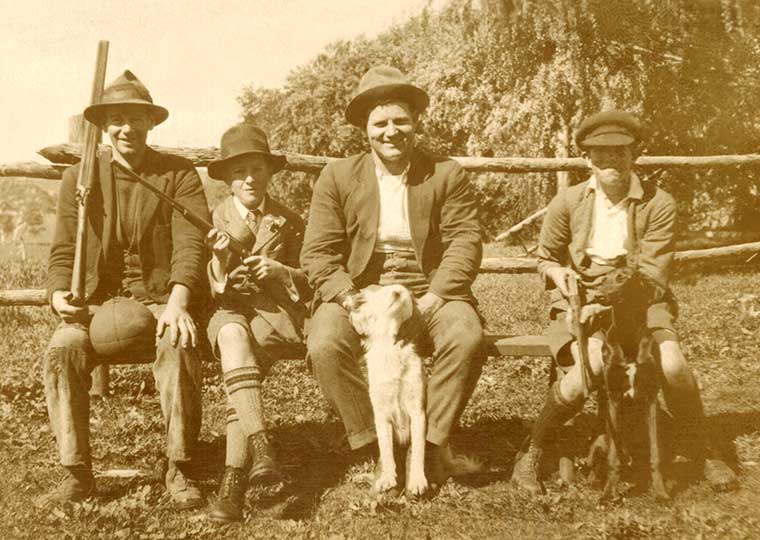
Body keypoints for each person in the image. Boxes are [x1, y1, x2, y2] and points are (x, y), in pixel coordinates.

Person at [510, 110, 740, 495]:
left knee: (673, 364)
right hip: (578, 301)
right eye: (601, 153)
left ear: (635, 155)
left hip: (641, 300)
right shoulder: (567, 202)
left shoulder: (657, 203)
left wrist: (604, 302)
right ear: (587, 159)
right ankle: (530, 451)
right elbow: (545, 256)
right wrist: (559, 275)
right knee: (589, 371)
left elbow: (651, 274)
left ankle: (702, 450)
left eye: (620, 152)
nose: (611, 161)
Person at [300, 65, 485, 495]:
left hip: (429, 287)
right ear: (365, 129)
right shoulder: (338, 176)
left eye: (401, 120)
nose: (391, 132)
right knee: (325, 343)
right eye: (380, 123)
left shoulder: (445, 173)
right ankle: (370, 444)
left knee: (466, 335)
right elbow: (319, 253)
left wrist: (435, 300)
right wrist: (350, 301)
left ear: (416, 122)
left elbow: (465, 241)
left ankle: (433, 443)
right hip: (363, 290)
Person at [42, 71, 210, 508]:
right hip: (96, 306)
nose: (126, 128)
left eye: (136, 118)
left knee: (178, 341)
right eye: (116, 119)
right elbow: (62, 249)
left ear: (151, 123)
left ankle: (180, 465)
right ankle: (76, 472)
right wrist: (60, 294)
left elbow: (191, 246)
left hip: (159, 300)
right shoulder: (80, 180)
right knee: (63, 348)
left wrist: (177, 301)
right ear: (103, 126)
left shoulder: (178, 175)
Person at [204, 123, 310, 523]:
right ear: (228, 180)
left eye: (258, 170)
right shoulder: (211, 217)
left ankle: (232, 489)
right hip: (227, 312)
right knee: (232, 336)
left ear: (269, 173)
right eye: (239, 172)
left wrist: (281, 270)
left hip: (272, 318)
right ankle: (261, 448)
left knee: (239, 380)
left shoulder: (287, 218)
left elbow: (308, 274)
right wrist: (218, 262)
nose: (249, 179)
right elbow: (204, 284)